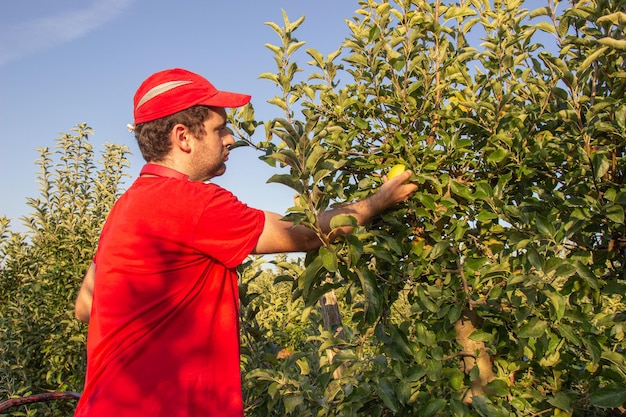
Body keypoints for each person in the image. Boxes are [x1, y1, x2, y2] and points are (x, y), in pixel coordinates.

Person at [73, 67, 417, 417]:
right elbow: (307, 233)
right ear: (183, 137)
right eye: (219, 129)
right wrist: (378, 201)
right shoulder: (194, 203)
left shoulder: (126, 208)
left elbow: (86, 307)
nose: (229, 139)